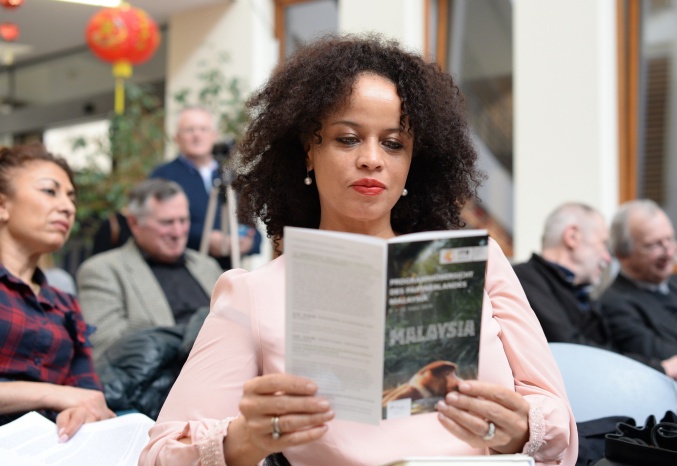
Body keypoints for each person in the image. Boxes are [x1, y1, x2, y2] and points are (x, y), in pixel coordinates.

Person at [140, 34, 576, 466]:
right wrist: (246, 439)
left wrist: (522, 429)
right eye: (348, 139)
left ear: (413, 162)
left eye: (393, 143)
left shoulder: (479, 265)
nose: (372, 159)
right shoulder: (254, 293)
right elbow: (159, 454)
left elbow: (562, 431)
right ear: (308, 151)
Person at [0, 143, 114, 441]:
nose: (68, 207)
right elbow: (70, 395)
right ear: (2, 205)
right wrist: (55, 395)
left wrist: (81, 413)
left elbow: (88, 395)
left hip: (51, 447)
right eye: (50, 191)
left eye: (71, 197)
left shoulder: (65, 305)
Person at [77, 178, 223, 361]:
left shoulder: (207, 266)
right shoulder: (103, 271)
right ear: (134, 224)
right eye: (166, 222)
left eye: (183, 220)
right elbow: (107, 349)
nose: (178, 232)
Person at [513, 202, 670, 373]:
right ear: (572, 237)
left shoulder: (576, 290)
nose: (607, 258)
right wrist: (659, 368)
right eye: (603, 244)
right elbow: (574, 350)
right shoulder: (523, 280)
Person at [150, 106, 262, 269]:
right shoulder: (163, 176)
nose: (197, 135)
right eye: (189, 130)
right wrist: (204, 238)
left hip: (228, 271)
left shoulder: (232, 177)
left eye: (203, 129)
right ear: (177, 137)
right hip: (182, 269)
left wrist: (249, 243)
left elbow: (253, 228)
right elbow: (154, 226)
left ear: (214, 135)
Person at [599, 199, 677, 379]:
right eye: (654, 245)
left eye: (670, 240)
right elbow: (667, 357)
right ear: (622, 253)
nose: (668, 252)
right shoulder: (614, 304)